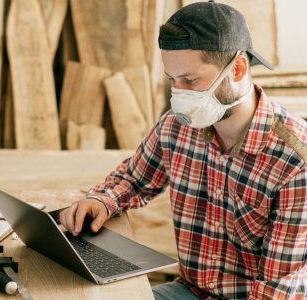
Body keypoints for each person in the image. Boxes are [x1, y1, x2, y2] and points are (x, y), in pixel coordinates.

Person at [59, 1, 307, 299]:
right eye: (173, 81)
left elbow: (276, 290)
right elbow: (135, 180)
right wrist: (102, 200)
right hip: (191, 290)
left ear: (238, 68)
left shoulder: (295, 163)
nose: (180, 95)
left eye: (190, 80)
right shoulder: (177, 127)